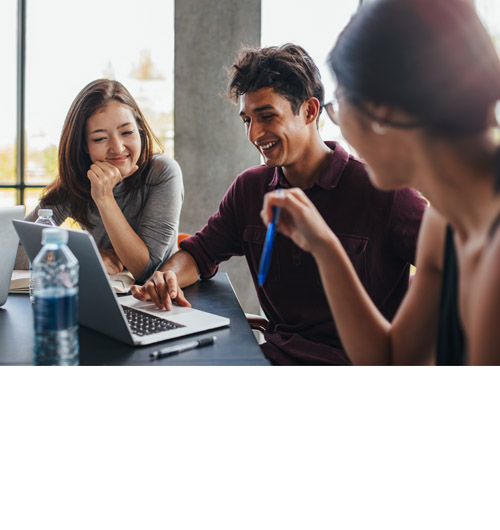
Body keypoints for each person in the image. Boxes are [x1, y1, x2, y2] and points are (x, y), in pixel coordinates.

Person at [132, 44, 426, 365]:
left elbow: (458, 273)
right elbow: (199, 252)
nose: (254, 133)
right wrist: (168, 276)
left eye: (267, 116)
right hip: (272, 358)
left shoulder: (384, 192)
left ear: (310, 111)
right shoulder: (250, 188)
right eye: (247, 120)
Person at [261, 0, 500, 364]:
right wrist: (325, 246)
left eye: (339, 107)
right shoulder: (444, 222)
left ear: (383, 114)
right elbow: (392, 359)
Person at [17, 79, 183, 284]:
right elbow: (12, 250)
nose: (117, 147)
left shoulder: (162, 173)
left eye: (127, 132)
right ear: (84, 146)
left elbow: (145, 270)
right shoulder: (78, 182)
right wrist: (87, 256)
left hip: (159, 301)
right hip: (102, 297)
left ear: (139, 130)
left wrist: (104, 197)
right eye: (99, 138)